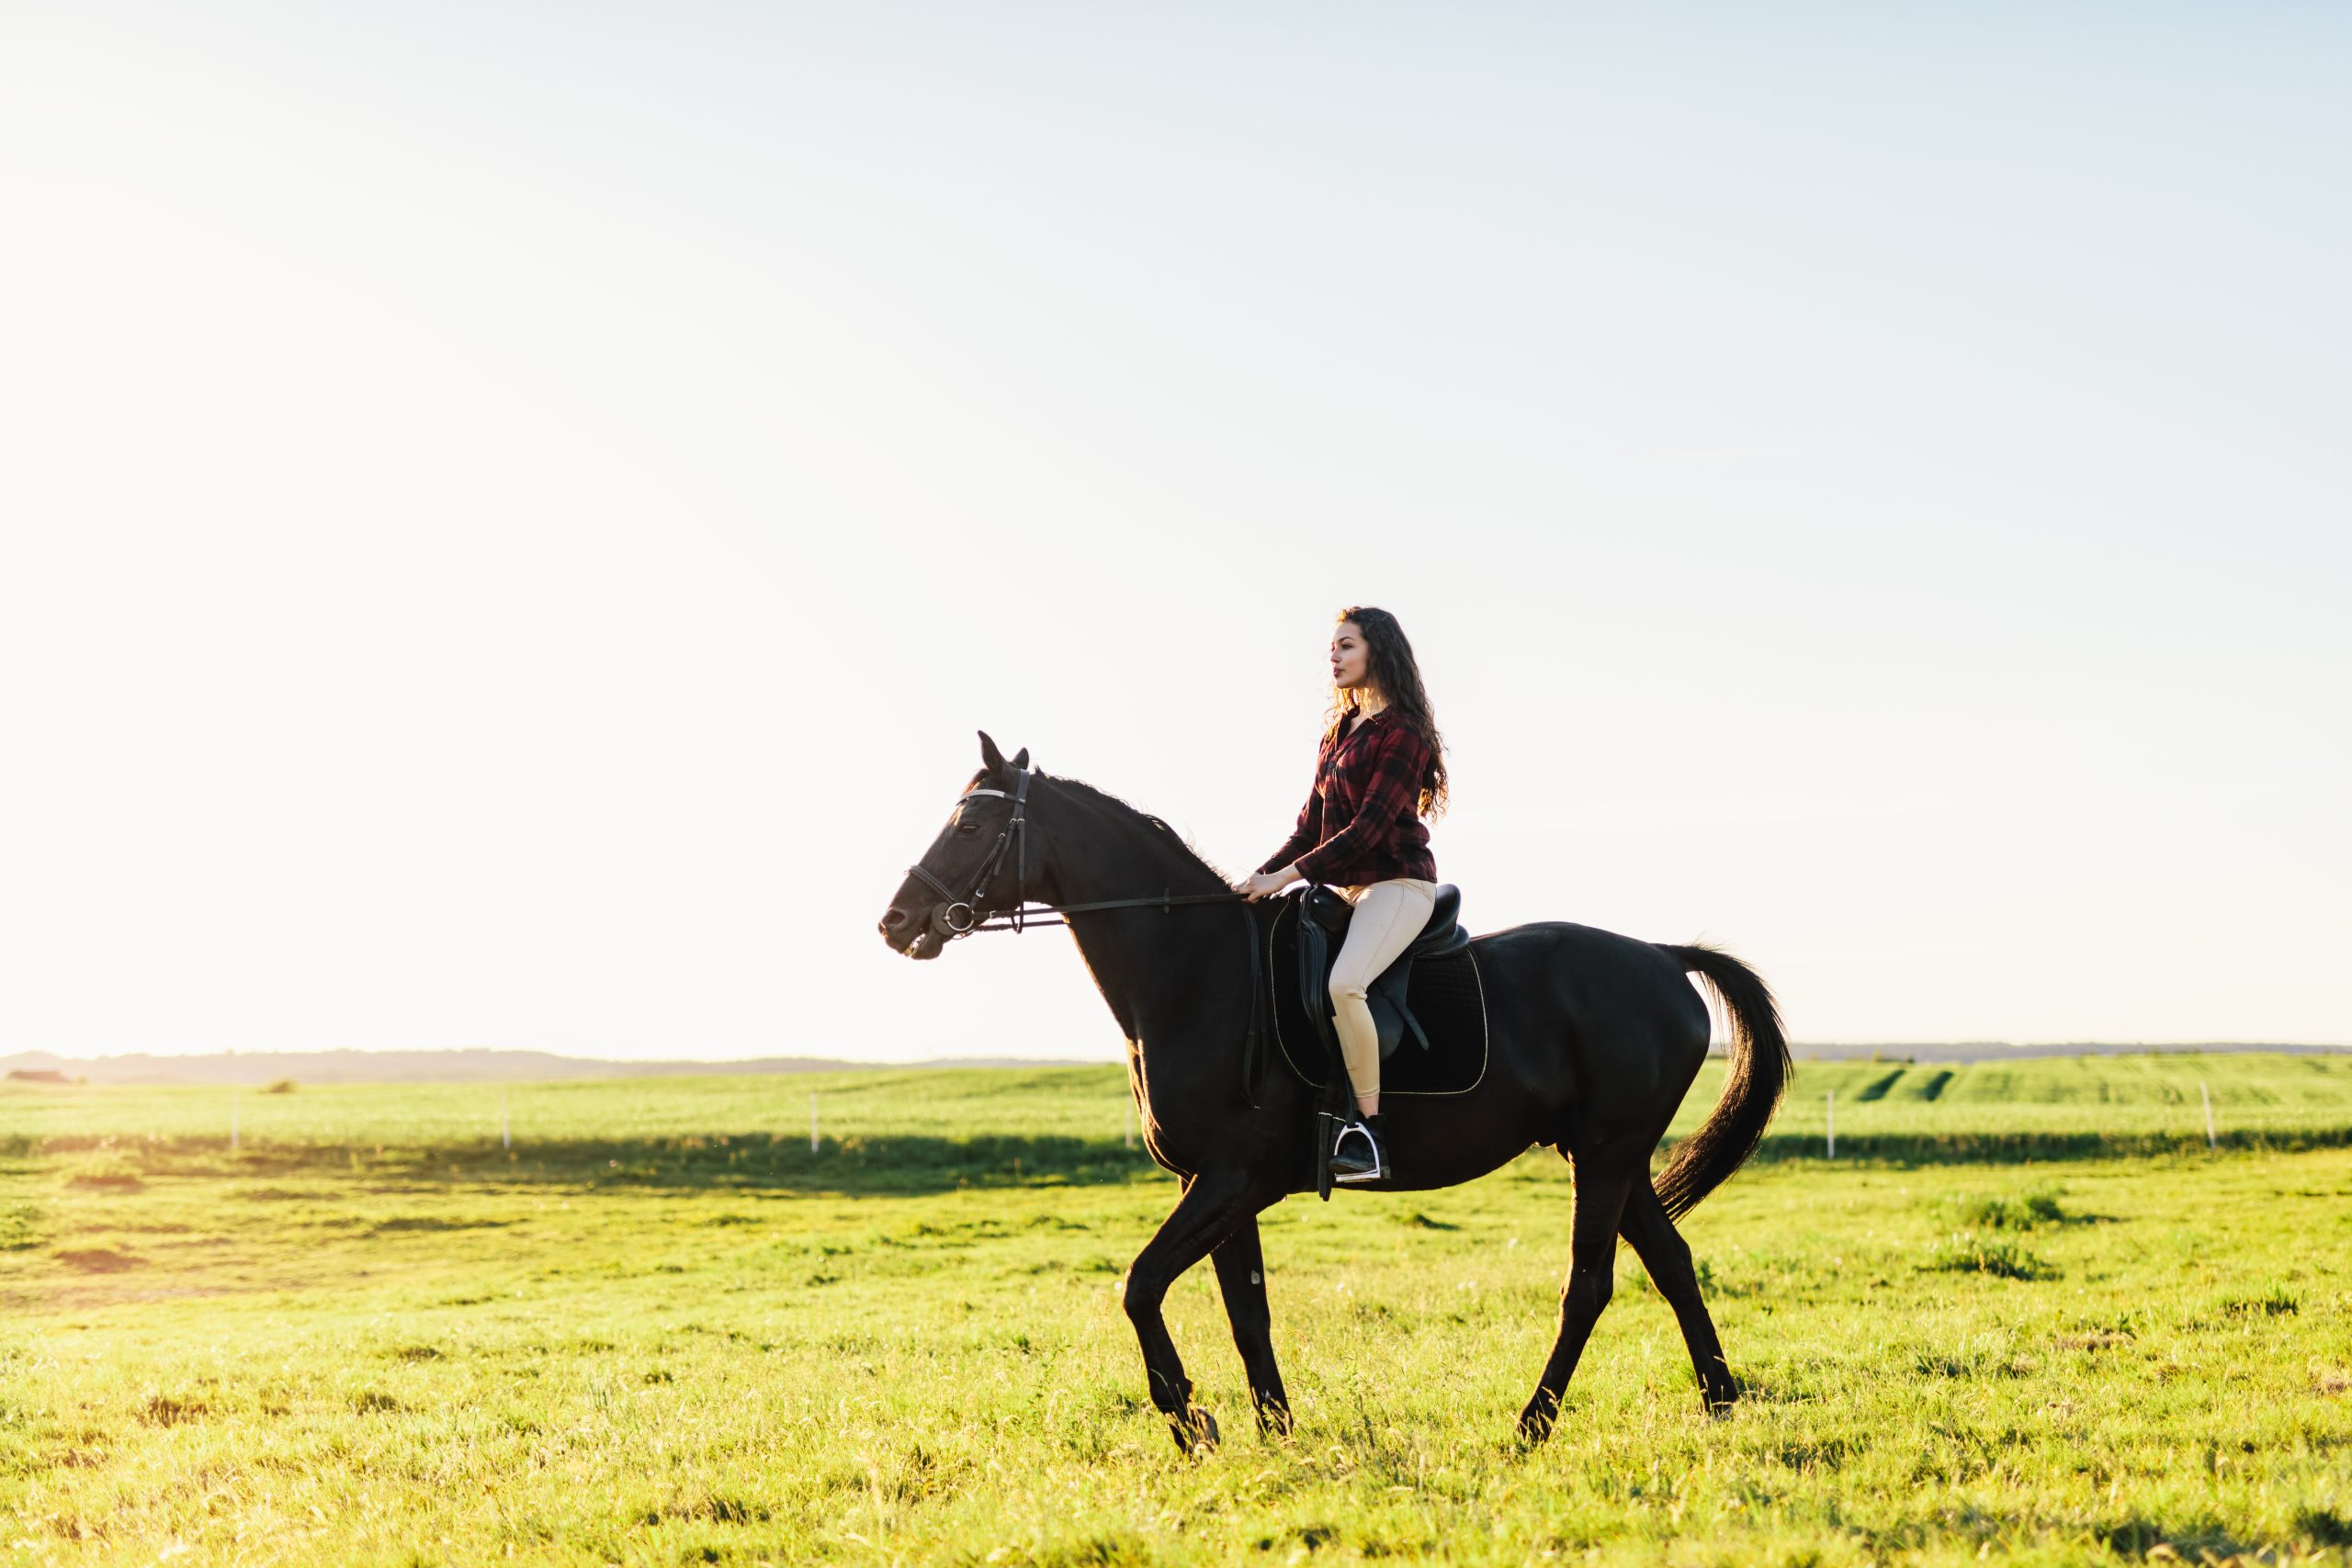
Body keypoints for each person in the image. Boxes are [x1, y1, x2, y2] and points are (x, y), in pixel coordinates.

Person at [1234, 605, 1448, 1183]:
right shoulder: (1338, 733)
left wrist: (1288, 877)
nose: (1334, 656)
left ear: (1377, 651)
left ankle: (1368, 1131)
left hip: (1397, 884)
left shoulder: (1403, 731)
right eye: (1332, 647)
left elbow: (1369, 829)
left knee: (1344, 984)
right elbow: (1309, 829)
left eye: (1346, 646)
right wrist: (1254, 880)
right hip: (1348, 890)